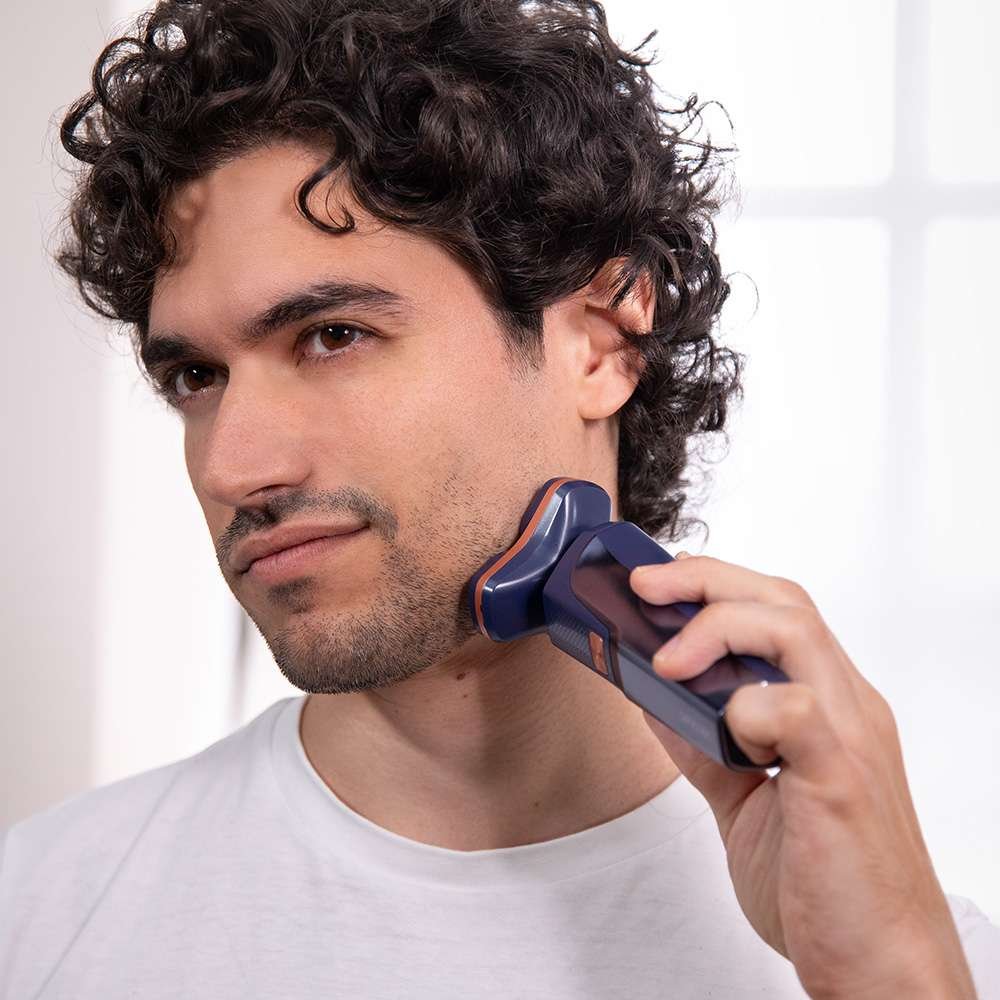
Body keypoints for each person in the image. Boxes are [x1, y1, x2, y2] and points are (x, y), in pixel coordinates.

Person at [2, 1, 997, 997]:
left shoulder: (921, 961)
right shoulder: (39, 917)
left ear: (600, 342)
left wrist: (893, 978)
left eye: (334, 336)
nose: (232, 466)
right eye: (196, 377)